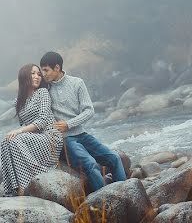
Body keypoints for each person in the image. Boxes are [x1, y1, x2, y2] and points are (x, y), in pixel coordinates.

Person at [39, 51, 126, 193]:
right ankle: (105, 200)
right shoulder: (44, 90)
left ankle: (125, 193)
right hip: (66, 139)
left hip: (82, 134)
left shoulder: (77, 83)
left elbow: (89, 110)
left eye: (46, 70)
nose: (43, 74)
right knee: (91, 164)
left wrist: (69, 124)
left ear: (57, 68)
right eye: (42, 70)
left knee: (115, 158)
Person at [0, 63, 64, 196]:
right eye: (33, 74)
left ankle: (26, 185)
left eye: (39, 74)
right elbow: (24, 124)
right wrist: (18, 132)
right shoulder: (19, 101)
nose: (37, 77)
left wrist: (18, 131)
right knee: (6, 141)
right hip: (33, 138)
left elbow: (42, 121)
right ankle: (13, 188)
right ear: (24, 77)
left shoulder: (42, 93)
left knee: (15, 139)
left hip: (49, 137)